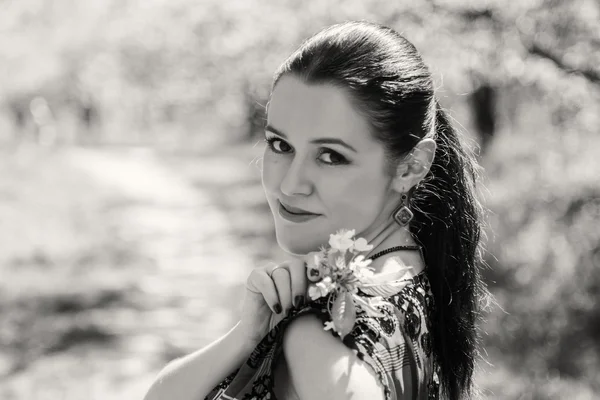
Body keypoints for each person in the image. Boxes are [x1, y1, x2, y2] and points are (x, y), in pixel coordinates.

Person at [143, 20, 489, 400]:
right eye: (280, 145)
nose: (291, 185)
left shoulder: (322, 333)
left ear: (410, 168)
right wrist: (248, 336)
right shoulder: (412, 277)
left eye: (330, 156)